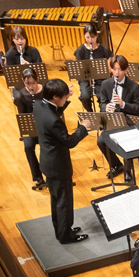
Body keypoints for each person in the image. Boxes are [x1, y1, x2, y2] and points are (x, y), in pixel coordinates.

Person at [35, 78, 93, 243]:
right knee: (64, 202)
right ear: (55, 97)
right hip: (58, 166)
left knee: (56, 200)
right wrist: (83, 127)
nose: (65, 98)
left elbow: (52, 112)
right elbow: (69, 141)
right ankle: (66, 236)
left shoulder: (39, 105)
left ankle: (61, 229)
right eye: (63, 96)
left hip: (47, 162)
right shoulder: (54, 121)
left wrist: (65, 100)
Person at [97, 55, 139, 183]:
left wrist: (123, 104)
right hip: (112, 119)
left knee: (126, 141)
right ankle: (116, 165)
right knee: (101, 141)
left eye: (120, 69)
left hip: (128, 121)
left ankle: (128, 171)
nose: (117, 73)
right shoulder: (106, 84)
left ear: (126, 70)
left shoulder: (134, 86)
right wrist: (106, 107)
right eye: (114, 69)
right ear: (111, 69)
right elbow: (102, 103)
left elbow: (138, 108)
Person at [12, 68, 46, 190]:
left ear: (37, 80)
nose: (30, 86)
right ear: (23, 81)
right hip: (31, 128)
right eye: (27, 84)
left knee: (46, 146)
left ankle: (49, 173)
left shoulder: (45, 91)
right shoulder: (20, 96)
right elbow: (22, 116)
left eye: (33, 83)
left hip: (45, 126)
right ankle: (38, 177)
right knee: (28, 147)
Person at [73, 24, 112, 112]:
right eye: (87, 37)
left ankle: (103, 114)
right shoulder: (80, 50)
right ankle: (90, 113)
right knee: (85, 96)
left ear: (97, 35)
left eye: (93, 37)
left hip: (101, 79)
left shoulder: (104, 50)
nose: (90, 40)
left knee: (103, 97)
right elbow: (78, 69)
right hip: (85, 79)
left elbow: (109, 68)